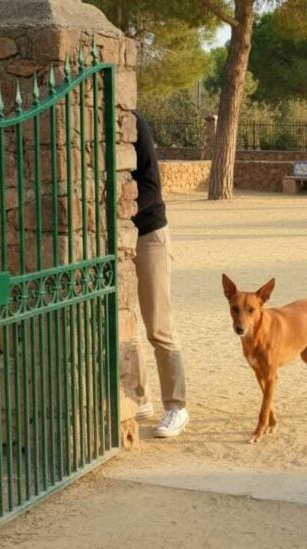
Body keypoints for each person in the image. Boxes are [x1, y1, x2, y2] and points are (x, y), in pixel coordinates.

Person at [131, 111, 189, 438]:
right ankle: (140, 397)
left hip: (149, 234)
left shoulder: (135, 123)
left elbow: (152, 187)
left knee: (158, 326)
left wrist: (119, 213)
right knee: (123, 322)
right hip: (116, 237)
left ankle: (177, 407)